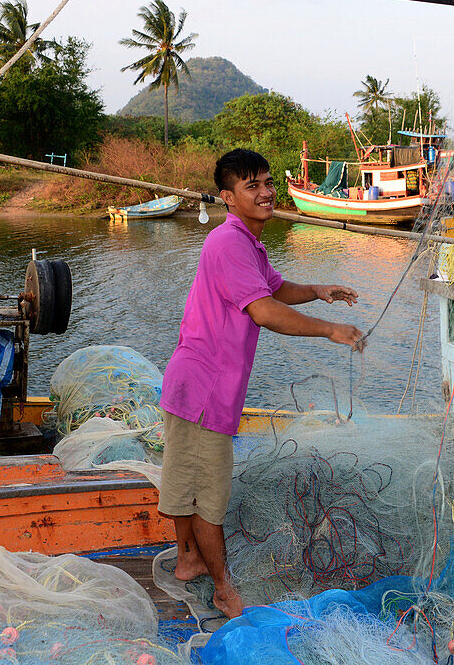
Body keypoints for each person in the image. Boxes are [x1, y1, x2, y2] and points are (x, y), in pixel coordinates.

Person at [158, 149, 364, 619]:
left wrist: (318, 290)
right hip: (204, 390)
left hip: (205, 388)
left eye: (268, 182)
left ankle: (190, 559)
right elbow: (265, 311)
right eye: (252, 186)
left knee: (191, 483)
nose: (267, 192)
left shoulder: (247, 242)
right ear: (229, 198)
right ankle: (223, 587)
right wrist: (330, 329)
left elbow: (273, 289)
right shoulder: (228, 242)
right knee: (210, 496)